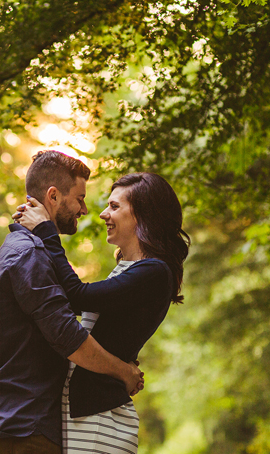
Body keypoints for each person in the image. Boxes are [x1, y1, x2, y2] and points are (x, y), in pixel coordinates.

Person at [0, 151, 144, 454]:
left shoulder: (18, 250)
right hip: (29, 424)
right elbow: (68, 338)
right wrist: (123, 372)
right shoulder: (29, 254)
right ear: (53, 196)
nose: (83, 209)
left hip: (20, 419)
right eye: (79, 198)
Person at [14, 170, 190, 454]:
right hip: (88, 413)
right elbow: (73, 304)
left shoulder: (154, 271)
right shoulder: (131, 270)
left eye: (115, 206)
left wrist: (47, 231)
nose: (102, 214)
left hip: (101, 419)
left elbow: (77, 296)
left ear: (144, 215)